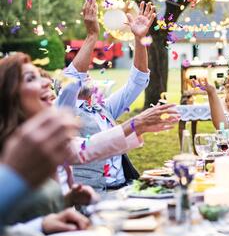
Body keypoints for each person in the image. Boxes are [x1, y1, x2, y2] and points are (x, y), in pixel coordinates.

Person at [0, 54, 179, 223]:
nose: (46, 81)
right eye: (31, 78)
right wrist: (92, 35)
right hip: (100, 196)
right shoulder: (62, 112)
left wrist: (65, 202)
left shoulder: (102, 108)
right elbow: (71, 82)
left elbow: (84, 148)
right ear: (9, 95)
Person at [57, 0, 168, 191]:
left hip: (125, 187)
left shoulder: (104, 108)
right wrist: (92, 36)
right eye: (81, 76)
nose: (85, 77)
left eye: (87, 76)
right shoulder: (64, 115)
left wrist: (140, 39)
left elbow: (138, 80)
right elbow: (73, 79)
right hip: (93, 194)